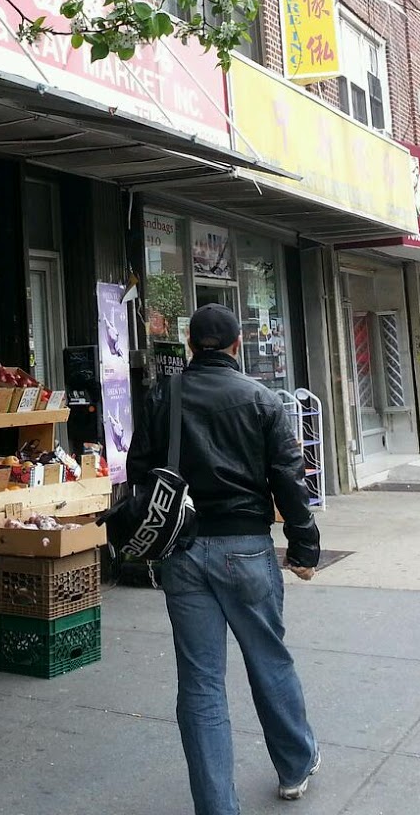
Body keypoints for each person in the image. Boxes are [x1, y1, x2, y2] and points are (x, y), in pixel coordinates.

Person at [127, 304, 322, 812]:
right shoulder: (261, 398)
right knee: (268, 659)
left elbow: (140, 473)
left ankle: (216, 806)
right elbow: (289, 478)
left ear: (190, 345)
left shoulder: (160, 397)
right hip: (247, 547)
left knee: (200, 681)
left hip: (182, 550)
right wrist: (304, 544)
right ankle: (295, 766)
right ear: (237, 345)